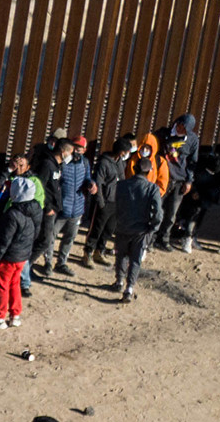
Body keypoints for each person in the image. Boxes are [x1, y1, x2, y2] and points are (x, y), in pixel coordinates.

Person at [0, 156, 41, 329]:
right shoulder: (36, 209)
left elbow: (3, 241)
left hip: (9, 256)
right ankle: (15, 315)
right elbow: (36, 232)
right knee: (15, 284)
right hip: (23, 255)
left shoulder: (12, 214)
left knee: (2, 285)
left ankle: (0, 317)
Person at [110, 151, 164, 303]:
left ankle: (119, 281)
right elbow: (158, 213)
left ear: (134, 169)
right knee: (135, 259)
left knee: (121, 255)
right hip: (141, 229)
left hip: (122, 226)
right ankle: (129, 288)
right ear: (149, 172)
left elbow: (116, 204)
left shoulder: (121, 185)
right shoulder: (152, 189)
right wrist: (153, 228)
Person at [40, 137, 92, 275]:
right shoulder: (62, 164)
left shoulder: (85, 163)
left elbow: (87, 178)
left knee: (70, 238)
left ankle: (61, 262)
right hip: (61, 208)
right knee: (51, 236)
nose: (76, 151)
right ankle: (48, 262)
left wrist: (91, 185)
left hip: (77, 208)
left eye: (80, 149)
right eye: (75, 148)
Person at [83, 135, 134, 267]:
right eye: (126, 152)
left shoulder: (120, 163)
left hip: (116, 202)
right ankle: (88, 252)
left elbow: (121, 180)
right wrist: (100, 201)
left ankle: (100, 251)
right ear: (120, 151)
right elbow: (98, 183)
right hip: (104, 201)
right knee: (97, 229)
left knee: (109, 229)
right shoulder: (104, 163)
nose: (127, 155)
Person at [157, 115, 200, 250]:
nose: (182, 130)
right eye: (181, 127)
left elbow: (192, 162)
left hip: (179, 180)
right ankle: (150, 238)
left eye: (186, 130)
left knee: (171, 214)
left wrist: (189, 181)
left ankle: (164, 239)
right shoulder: (163, 134)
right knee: (157, 210)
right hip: (163, 178)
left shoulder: (192, 140)